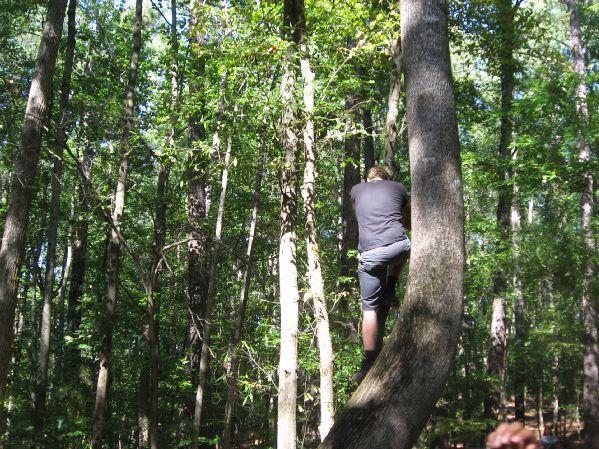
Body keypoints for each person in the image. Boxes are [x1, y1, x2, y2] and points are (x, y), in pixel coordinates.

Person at [350, 166, 411, 383]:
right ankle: (391, 286)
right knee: (408, 248)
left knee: (368, 309)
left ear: (369, 179)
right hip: (397, 247)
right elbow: (408, 220)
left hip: (369, 256)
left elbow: (361, 212)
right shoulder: (398, 188)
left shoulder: (356, 190)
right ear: (387, 178)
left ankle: (368, 361)